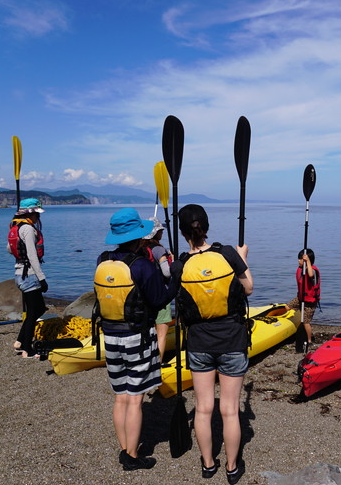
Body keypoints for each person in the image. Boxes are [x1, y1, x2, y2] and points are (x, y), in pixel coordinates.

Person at [174, 204, 253, 484]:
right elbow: (249, 287)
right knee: (230, 409)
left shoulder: (180, 264)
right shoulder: (228, 254)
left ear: (184, 233)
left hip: (198, 344)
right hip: (232, 340)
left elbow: (175, 297)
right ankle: (232, 467)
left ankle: (208, 464)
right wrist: (241, 258)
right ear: (206, 227)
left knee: (204, 408)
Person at [95, 207, 175, 471]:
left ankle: (123, 449)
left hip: (111, 338)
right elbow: (160, 299)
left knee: (120, 396)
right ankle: (132, 455)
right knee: (135, 398)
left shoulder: (102, 260)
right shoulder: (140, 265)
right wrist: (176, 279)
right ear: (140, 237)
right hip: (136, 338)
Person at [7, 198, 48, 358]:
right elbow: (32, 256)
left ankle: (19, 342)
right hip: (30, 275)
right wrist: (42, 278)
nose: (38, 218)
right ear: (30, 214)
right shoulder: (29, 230)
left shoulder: (15, 227)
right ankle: (27, 349)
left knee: (36, 309)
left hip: (19, 273)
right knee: (34, 311)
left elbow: (10, 249)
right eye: (37, 214)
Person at [143, 217, 173, 365]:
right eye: (161, 230)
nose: (162, 232)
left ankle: (146, 359)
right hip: (161, 294)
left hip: (144, 295)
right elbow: (166, 273)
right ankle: (158, 363)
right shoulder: (159, 249)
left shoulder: (141, 249)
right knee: (161, 334)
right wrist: (173, 262)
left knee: (149, 331)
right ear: (156, 233)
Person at [287, 248, 320, 351]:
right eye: (299, 259)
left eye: (301, 259)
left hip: (310, 301)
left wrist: (308, 262)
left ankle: (309, 341)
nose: (298, 261)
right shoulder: (300, 270)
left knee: (306, 322)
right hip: (300, 298)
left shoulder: (313, 271)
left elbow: (310, 275)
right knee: (287, 307)